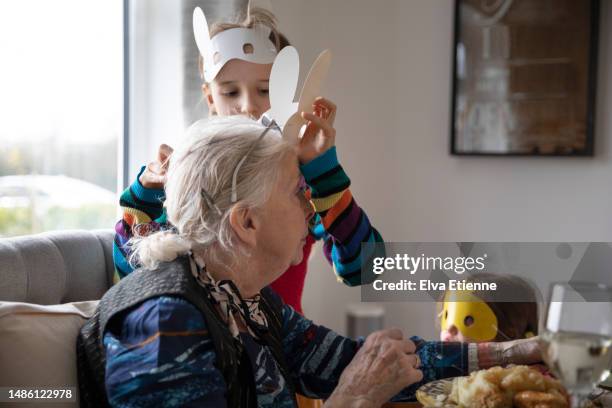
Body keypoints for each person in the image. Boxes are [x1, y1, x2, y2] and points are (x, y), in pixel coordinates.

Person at [79, 117, 542, 408]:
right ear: (247, 223)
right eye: (297, 193)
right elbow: (354, 382)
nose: (310, 208)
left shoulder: (246, 303)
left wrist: (515, 352)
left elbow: (351, 362)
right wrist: (353, 399)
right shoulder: (163, 322)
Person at [113, 6, 381, 317]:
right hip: (208, 341)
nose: (248, 106)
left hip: (282, 350)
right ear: (211, 98)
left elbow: (365, 268)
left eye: (265, 90)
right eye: (230, 92)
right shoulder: (188, 177)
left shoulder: (298, 184)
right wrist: (145, 194)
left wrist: (323, 172)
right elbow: (133, 275)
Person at [439, 273, 539, 343]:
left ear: (509, 335)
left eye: (468, 319)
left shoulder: (531, 372)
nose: (449, 329)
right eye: (446, 315)